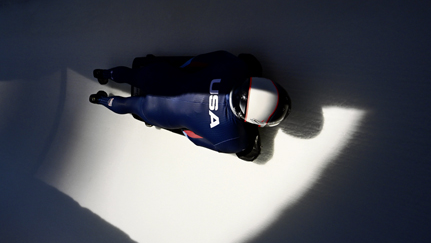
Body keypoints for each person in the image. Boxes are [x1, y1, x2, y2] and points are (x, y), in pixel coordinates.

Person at [89, 51, 291, 161]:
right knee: (131, 106)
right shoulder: (232, 141)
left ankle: (103, 74)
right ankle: (100, 100)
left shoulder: (234, 65)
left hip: (162, 76)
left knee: (134, 75)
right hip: (159, 111)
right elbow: (192, 136)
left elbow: (193, 63)